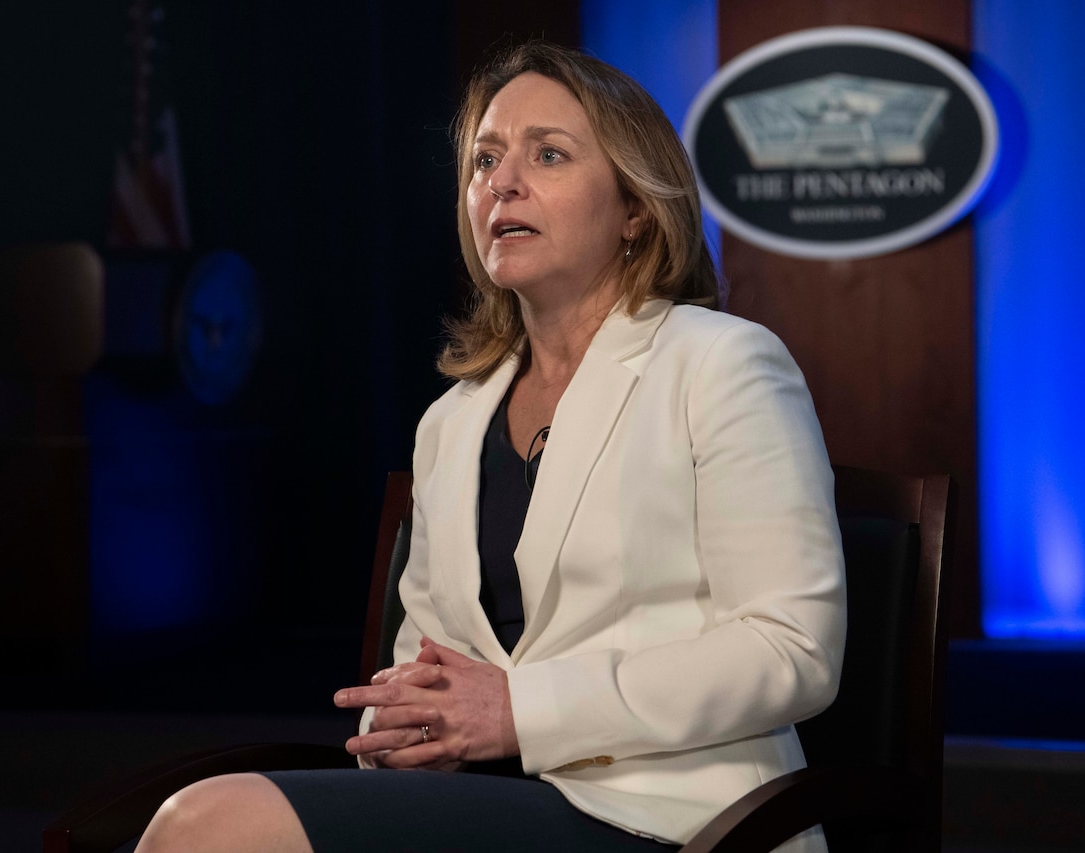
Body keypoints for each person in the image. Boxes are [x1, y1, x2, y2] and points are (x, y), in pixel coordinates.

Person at [136, 40, 845, 853]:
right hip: (485, 801)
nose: (501, 181)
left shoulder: (721, 362)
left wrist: (518, 712)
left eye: (548, 154)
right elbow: (426, 663)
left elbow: (792, 650)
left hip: (675, 819)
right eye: (483, 159)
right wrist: (403, 725)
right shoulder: (452, 419)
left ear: (636, 207)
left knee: (212, 825)